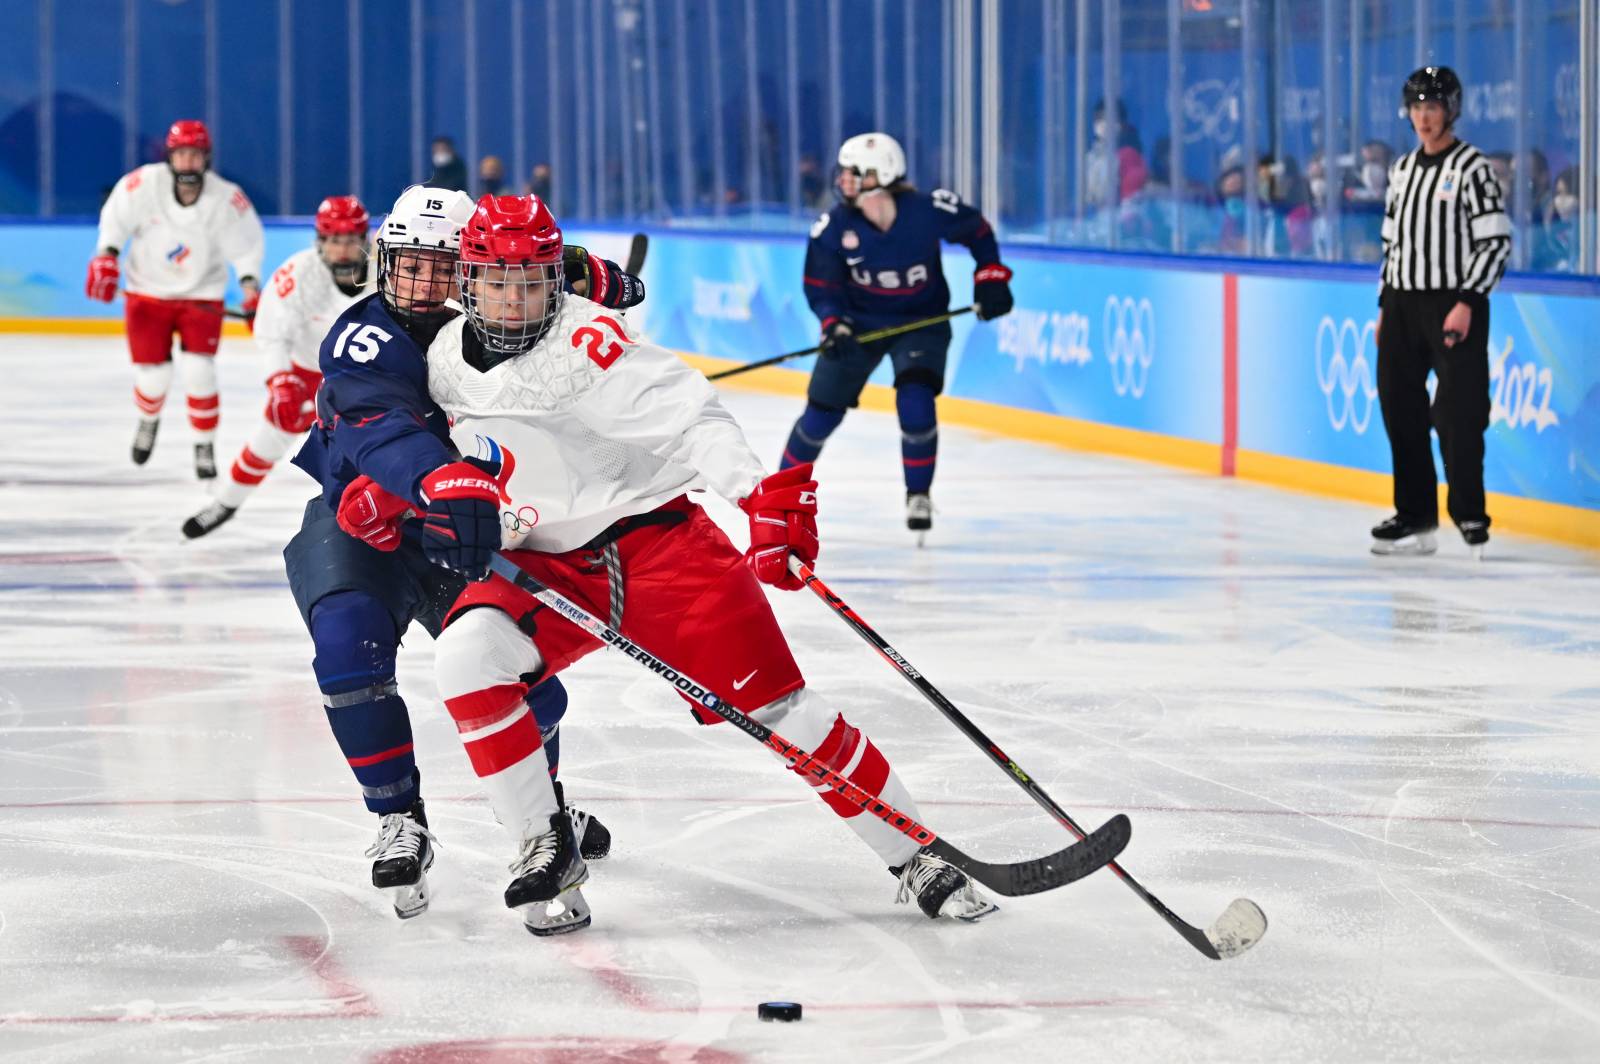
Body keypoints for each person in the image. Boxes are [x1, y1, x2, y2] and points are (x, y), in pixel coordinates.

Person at [347, 193, 998, 936]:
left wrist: (758, 498)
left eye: (530, 281)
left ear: (554, 281)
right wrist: (386, 492)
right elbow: (431, 445)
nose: (514, 298)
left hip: (659, 549)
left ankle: (915, 854)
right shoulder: (439, 359)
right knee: (465, 658)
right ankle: (543, 845)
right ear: (467, 283)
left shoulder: (589, 341)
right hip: (543, 567)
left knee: (781, 711)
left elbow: (694, 417)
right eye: (497, 281)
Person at [282, 185, 644, 919]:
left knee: (524, 682)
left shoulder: (518, 322)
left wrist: (577, 271)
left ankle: (545, 817)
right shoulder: (366, 337)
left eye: (443, 269)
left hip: (469, 522)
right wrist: (416, 480)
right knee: (348, 648)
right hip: (370, 521)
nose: (421, 285)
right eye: (408, 265)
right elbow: (377, 426)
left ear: (478, 271)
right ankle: (398, 820)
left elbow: (619, 295)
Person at [776, 133, 1014, 541]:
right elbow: (821, 285)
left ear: (881, 174)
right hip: (858, 325)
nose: (844, 180)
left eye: (854, 173)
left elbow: (978, 231)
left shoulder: (927, 210)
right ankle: (776, 498)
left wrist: (990, 277)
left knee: (915, 398)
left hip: (920, 322)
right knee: (820, 415)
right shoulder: (834, 226)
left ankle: (918, 495)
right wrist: (833, 324)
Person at [1372, 66, 1510, 558]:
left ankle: (1470, 515)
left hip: (1453, 304)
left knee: (1459, 413)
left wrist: (1469, 301)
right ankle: (1415, 516)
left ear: (1450, 111)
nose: (1424, 117)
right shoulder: (1402, 169)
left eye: (1433, 107)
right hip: (1404, 305)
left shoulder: (1473, 168)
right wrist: (1386, 307)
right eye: (1417, 108)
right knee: (1400, 409)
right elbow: (1393, 243)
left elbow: (1495, 240)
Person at [182, 196, 372, 538]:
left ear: (364, 240)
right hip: (305, 372)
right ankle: (226, 503)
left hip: (366, 378)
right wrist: (281, 380)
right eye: (334, 240)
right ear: (320, 241)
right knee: (270, 437)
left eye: (350, 240)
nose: (342, 250)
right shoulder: (298, 275)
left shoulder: (387, 274)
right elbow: (273, 333)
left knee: (373, 451)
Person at [87, 119, 264, 479]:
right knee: (153, 378)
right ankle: (147, 420)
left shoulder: (226, 198)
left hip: (201, 295)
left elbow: (247, 246)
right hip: (147, 293)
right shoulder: (142, 185)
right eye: (181, 154)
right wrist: (106, 254)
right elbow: (115, 221)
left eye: (194, 155)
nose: (187, 162)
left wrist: (250, 288)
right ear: (170, 157)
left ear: (206, 158)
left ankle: (204, 445)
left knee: (200, 373)